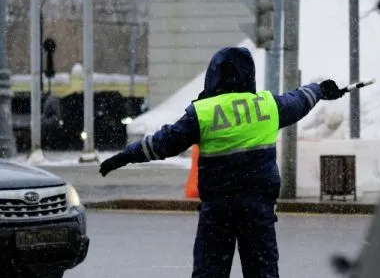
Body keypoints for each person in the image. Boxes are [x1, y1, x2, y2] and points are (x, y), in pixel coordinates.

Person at [99, 47, 345, 278]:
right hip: (258, 208)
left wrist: (125, 156)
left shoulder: (203, 113)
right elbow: (299, 100)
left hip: (218, 210)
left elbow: (163, 143)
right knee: (263, 272)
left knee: (210, 271)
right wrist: (320, 89)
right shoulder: (268, 106)